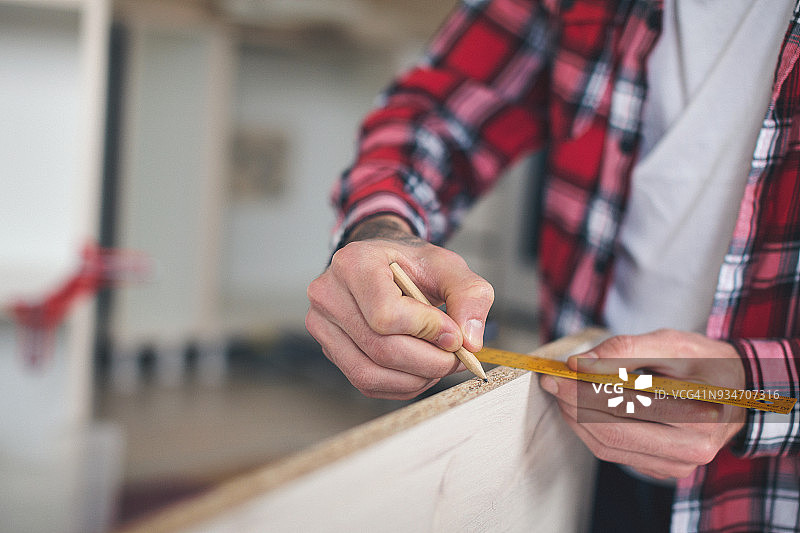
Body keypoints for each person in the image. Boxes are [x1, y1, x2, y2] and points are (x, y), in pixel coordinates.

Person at [305, 0, 800, 531]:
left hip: (765, 493)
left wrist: (764, 389)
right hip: (576, 449)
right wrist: (380, 232)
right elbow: (438, 111)